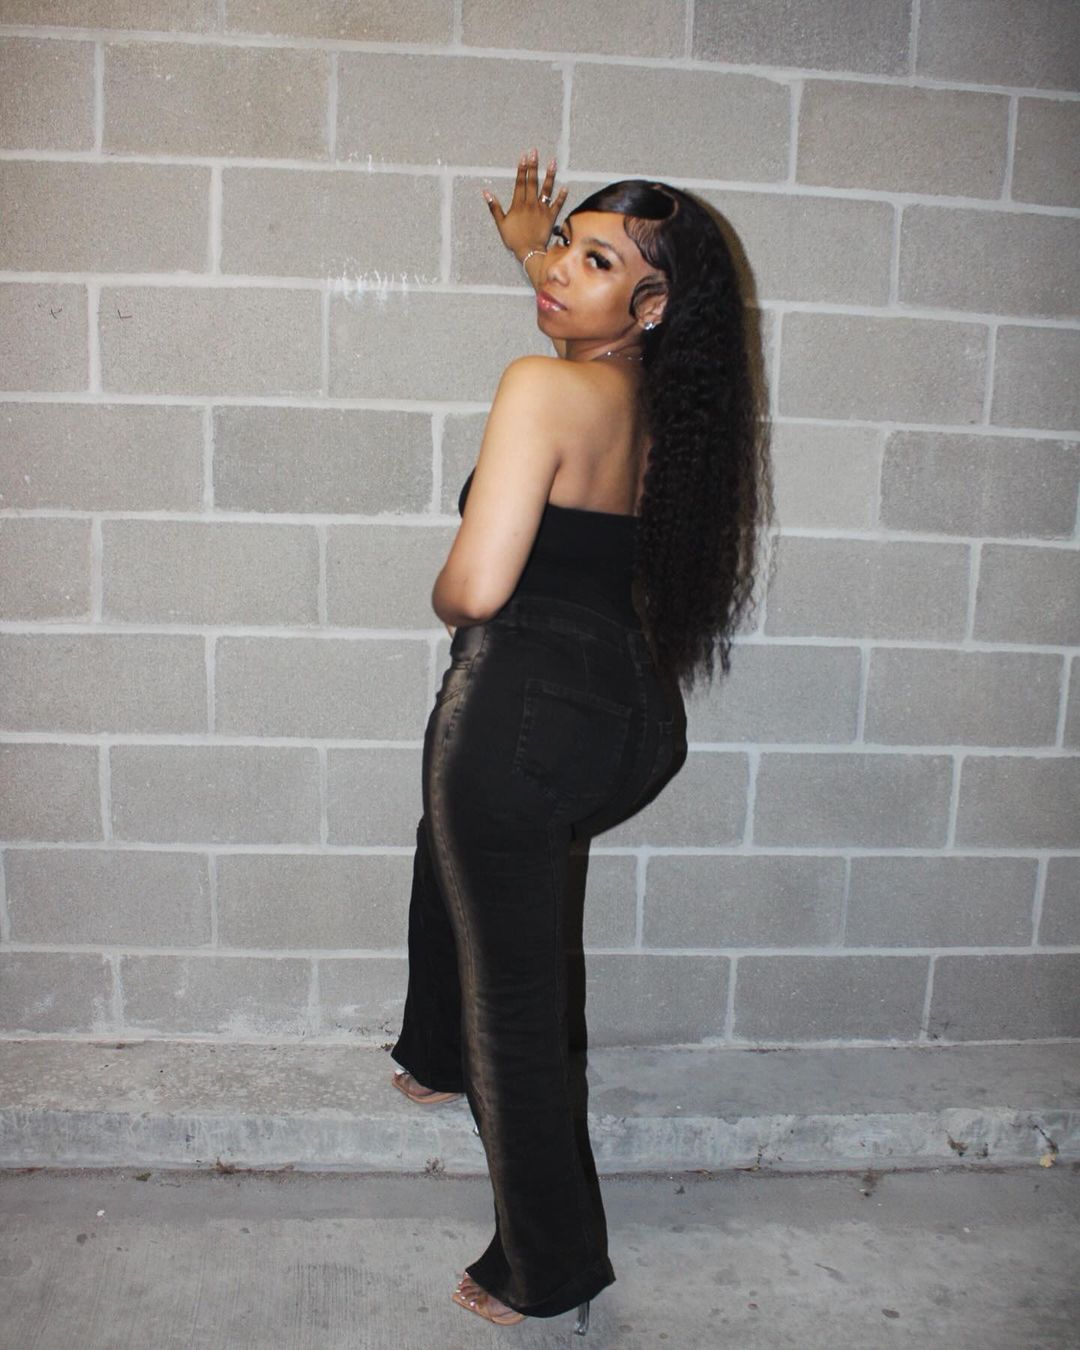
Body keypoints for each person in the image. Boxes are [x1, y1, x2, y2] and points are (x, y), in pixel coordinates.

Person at [389, 146, 775, 1332]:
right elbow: (596, 325)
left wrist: (447, 597)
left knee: (518, 1005)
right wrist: (537, 250)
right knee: (450, 855)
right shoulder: (665, 405)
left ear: (649, 306)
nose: (558, 268)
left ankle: (546, 1264)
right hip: (626, 717)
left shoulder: (539, 389)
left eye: (594, 261)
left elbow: (476, 587)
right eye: (565, 245)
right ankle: (433, 1052)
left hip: (518, 715)